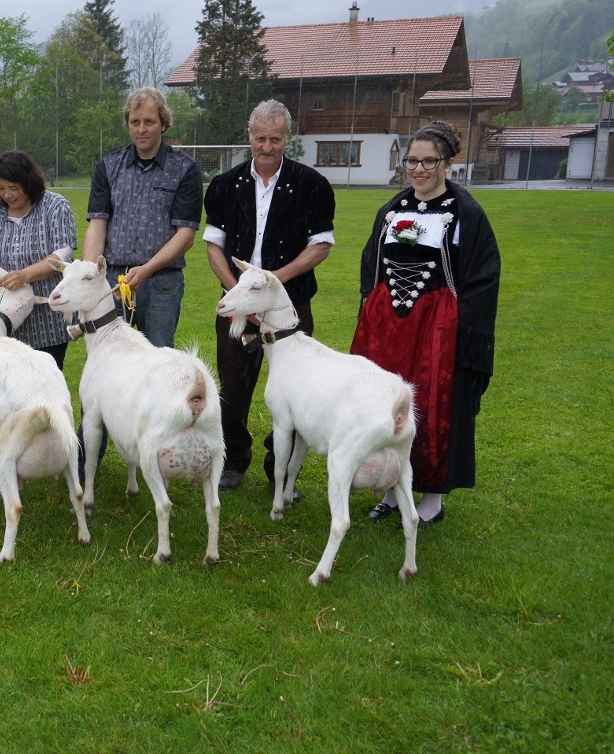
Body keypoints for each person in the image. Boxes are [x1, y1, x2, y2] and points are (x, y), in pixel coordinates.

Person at [351, 121, 500, 526]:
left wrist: (458, 323)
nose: (419, 169)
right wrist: (372, 306)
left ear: (447, 163)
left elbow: (483, 275)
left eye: (428, 161)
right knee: (384, 404)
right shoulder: (392, 210)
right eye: (412, 161)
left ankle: (431, 497)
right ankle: (390, 490)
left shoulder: (466, 214)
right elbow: (372, 263)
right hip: (388, 325)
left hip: (436, 328)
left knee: (432, 405)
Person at [203, 99, 336, 492]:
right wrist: (240, 291)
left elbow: (321, 244)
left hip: (290, 307)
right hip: (239, 304)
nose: (266, 146)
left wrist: (274, 282)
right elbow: (213, 245)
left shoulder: (311, 184)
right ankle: (233, 460)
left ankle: (282, 473)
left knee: (295, 392)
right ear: (249, 137)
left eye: (275, 139)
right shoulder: (226, 185)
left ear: (287, 139)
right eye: (260, 138)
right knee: (233, 385)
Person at [83, 86, 202, 349]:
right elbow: (97, 226)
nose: (141, 129)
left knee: (158, 362)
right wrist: (89, 275)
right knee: (108, 358)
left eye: (149, 122)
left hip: (161, 284)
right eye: (134, 122)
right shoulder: (108, 166)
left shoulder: (184, 169)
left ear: (163, 124)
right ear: (127, 124)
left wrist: (147, 269)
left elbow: (186, 235)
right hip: (113, 281)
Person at [0, 150, 76, 368]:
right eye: (1, 188)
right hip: (4, 316)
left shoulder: (55, 206)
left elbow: (63, 253)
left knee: (43, 382)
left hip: (46, 321)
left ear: (29, 182)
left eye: (14, 188)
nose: (8, 195)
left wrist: (25, 275)